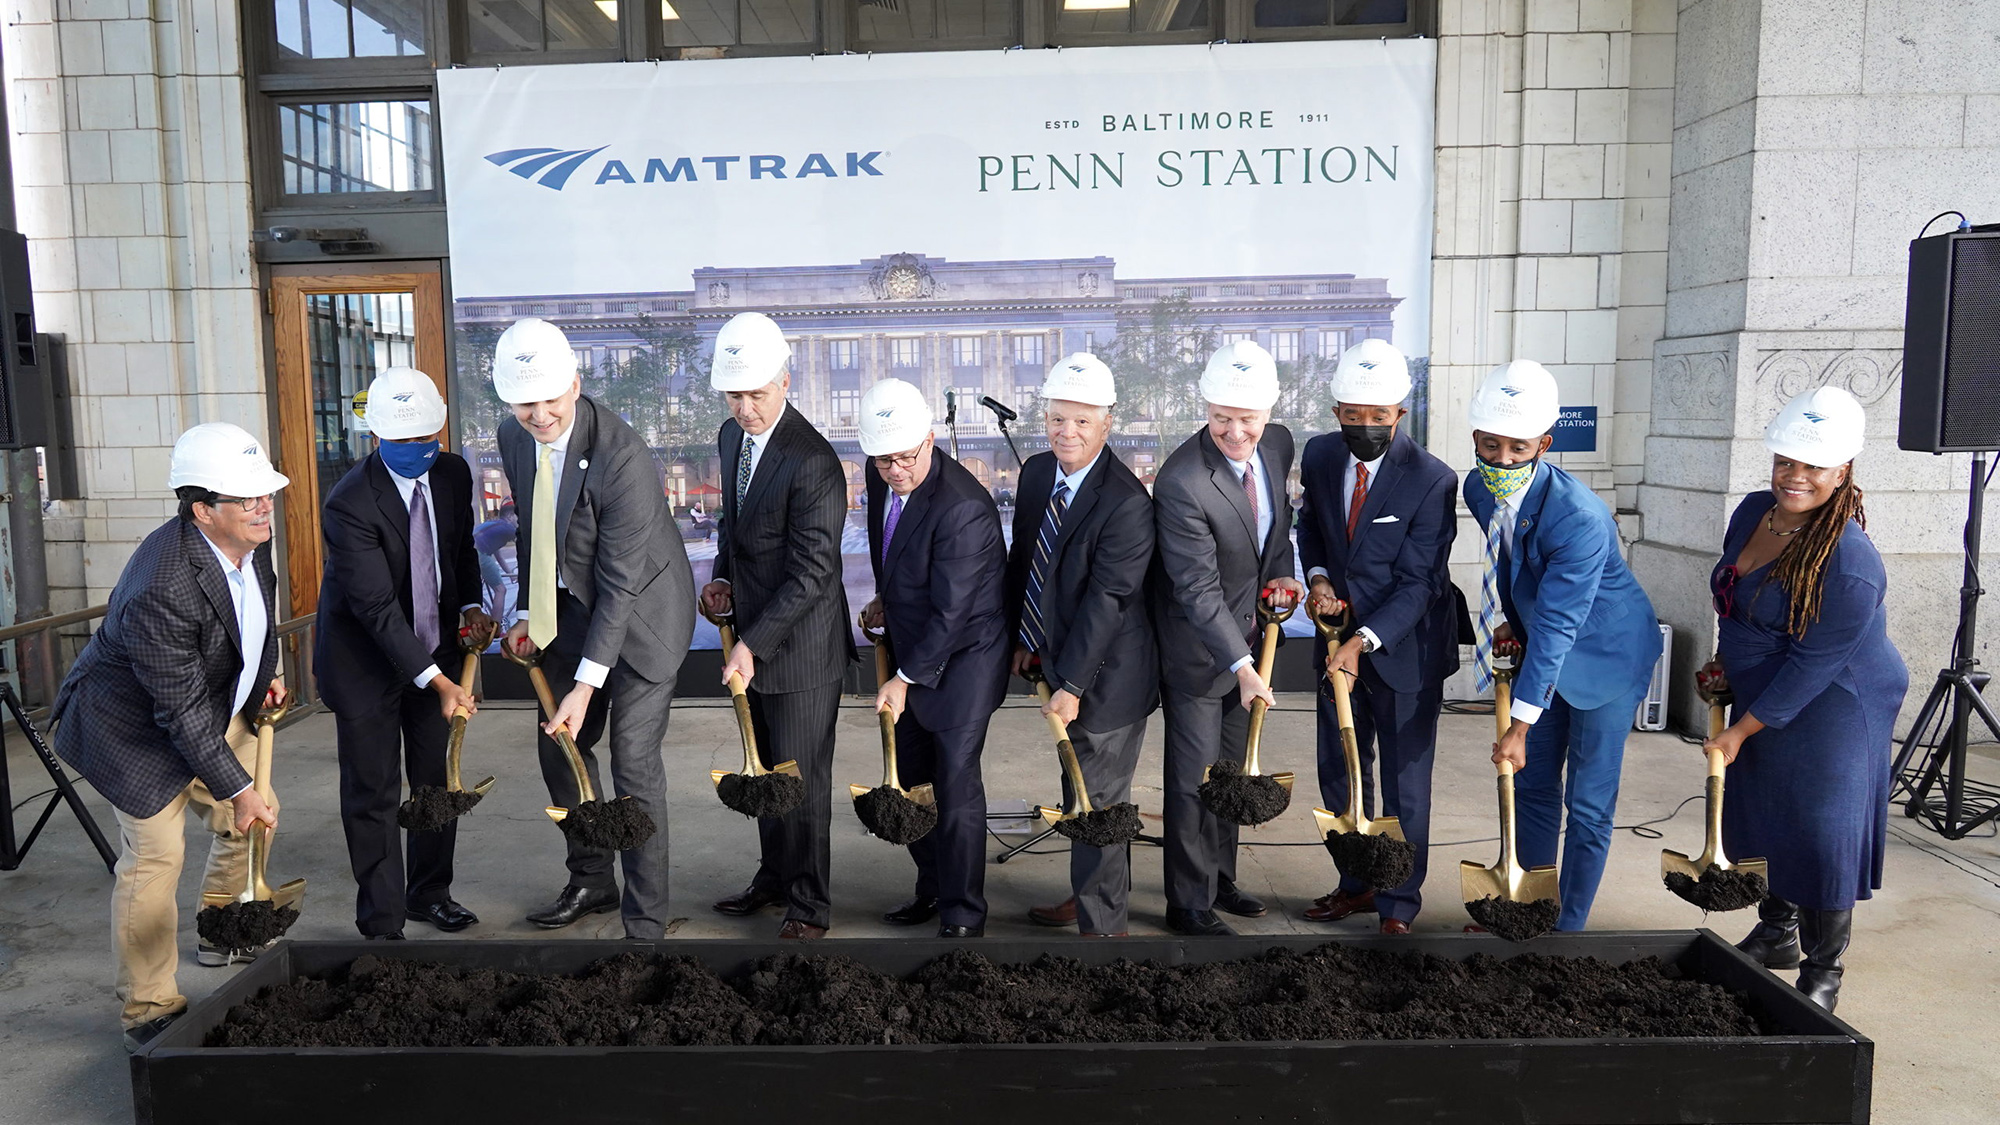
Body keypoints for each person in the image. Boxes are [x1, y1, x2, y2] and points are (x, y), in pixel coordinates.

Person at [51, 423, 289, 1050]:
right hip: (132, 732)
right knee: (156, 860)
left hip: (207, 708)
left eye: (265, 493)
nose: (264, 506)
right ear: (201, 509)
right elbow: (177, 712)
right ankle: (148, 1007)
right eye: (246, 499)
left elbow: (250, 622)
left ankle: (221, 925)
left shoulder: (246, 539)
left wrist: (264, 677)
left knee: (254, 818)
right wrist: (235, 787)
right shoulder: (164, 583)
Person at [1701, 386, 1907, 1012]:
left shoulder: (1849, 563)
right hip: (1767, 688)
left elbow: (1813, 666)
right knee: (1765, 811)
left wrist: (1739, 732)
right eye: (1786, 461)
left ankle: (1824, 969)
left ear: (1843, 471)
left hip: (1838, 703)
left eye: (1814, 466)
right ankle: (1777, 931)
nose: (1796, 477)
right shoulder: (1754, 511)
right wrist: (1724, 660)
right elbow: (1735, 594)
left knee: (1822, 831)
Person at [493, 318, 696, 939]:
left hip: (641, 619)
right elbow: (534, 529)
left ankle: (646, 919)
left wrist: (585, 687)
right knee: (562, 746)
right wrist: (529, 609)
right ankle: (591, 879)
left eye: (551, 399)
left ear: (575, 385)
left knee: (633, 760)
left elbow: (620, 585)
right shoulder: (512, 434)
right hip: (569, 609)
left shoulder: (624, 457)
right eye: (526, 403)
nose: (540, 414)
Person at [1461, 360, 1658, 932]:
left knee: (1589, 805)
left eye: (1518, 448)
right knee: (1533, 787)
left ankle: (1565, 929)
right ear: (1475, 438)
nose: (1501, 460)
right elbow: (1512, 558)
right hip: (1544, 641)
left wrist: (1518, 726)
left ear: (1545, 443)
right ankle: (1528, 909)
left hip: (1606, 657)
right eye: (1489, 445)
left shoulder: (1581, 518)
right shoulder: (1478, 486)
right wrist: (1510, 619)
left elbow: (1560, 625)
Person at [316, 368, 493, 940]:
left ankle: (429, 894)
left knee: (437, 779)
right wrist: (440, 683)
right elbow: (376, 611)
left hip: (434, 644)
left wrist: (469, 604)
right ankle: (382, 921)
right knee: (373, 791)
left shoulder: (452, 473)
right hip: (364, 660)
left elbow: (460, 547)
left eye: (427, 439)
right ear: (376, 439)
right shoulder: (349, 503)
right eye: (405, 443)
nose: (420, 451)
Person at [698, 311, 854, 940]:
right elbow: (734, 528)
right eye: (734, 394)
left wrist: (753, 645)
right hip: (754, 638)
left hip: (801, 652)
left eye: (756, 393)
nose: (744, 407)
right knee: (763, 770)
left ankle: (810, 905)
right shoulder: (731, 438)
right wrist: (720, 574)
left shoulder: (812, 460)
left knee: (803, 784)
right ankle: (773, 879)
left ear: (785, 381)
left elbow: (813, 572)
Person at [1297, 340, 1461, 934]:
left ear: (1401, 412)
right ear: (1337, 408)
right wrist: (1317, 580)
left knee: (1402, 785)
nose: (1365, 426)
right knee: (1340, 769)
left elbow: (1420, 583)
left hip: (1401, 654)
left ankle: (1398, 903)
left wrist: (1361, 641)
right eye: (1352, 414)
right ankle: (1355, 884)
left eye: (1378, 416)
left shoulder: (1432, 480)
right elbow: (1311, 525)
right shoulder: (1319, 456)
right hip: (1334, 641)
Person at [1151, 340, 1304, 937]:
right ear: (1205, 407)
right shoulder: (1183, 481)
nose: (1236, 434)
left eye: (1247, 420)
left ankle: (1220, 879)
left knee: (1235, 772)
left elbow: (1277, 528)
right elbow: (1195, 589)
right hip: (1199, 650)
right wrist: (1242, 667)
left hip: (1251, 637)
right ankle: (1187, 903)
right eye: (1221, 419)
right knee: (1195, 780)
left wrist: (1285, 570)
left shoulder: (1279, 443)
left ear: (1269, 413)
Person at [1005, 353, 1158, 938]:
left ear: (1107, 423)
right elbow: (1027, 561)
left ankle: (1105, 932)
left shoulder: (1125, 503)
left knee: (1101, 803)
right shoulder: (1039, 473)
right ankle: (1086, 894)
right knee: (1078, 785)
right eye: (1057, 419)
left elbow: (1109, 602)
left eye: (1082, 422)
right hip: (1057, 655)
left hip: (1109, 676)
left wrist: (1070, 685)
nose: (1066, 433)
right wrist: (1026, 637)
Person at [858, 378, 1008, 938]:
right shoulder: (883, 482)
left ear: (929, 438)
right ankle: (933, 887)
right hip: (914, 647)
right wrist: (885, 598)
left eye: (905, 457)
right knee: (913, 775)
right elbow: (898, 556)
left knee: (954, 781)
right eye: (882, 460)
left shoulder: (962, 507)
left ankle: (964, 912)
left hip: (965, 659)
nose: (895, 470)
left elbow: (951, 614)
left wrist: (903, 678)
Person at [472, 500, 517, 617]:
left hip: (471, 552)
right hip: (479, 554)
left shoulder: (496, 526)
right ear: (510, 516)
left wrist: (510, 573)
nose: (519, 521)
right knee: (500, 590)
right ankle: (496, 626)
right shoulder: (508, 528)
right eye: (517, 516)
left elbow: (498, 556)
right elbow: (525, 546)